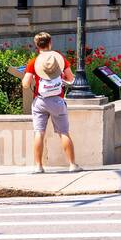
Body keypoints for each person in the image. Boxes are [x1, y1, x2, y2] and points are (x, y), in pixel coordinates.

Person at [23, 32, 79, 174]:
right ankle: (72, 165)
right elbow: (71, 78)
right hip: (57, 101)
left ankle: (38, 166)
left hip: (40, 101)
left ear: (37, 46)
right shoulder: (60, 60)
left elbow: (25, 84)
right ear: (50, 43)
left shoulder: (33, 62)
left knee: (39, 133)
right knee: (64, 132)